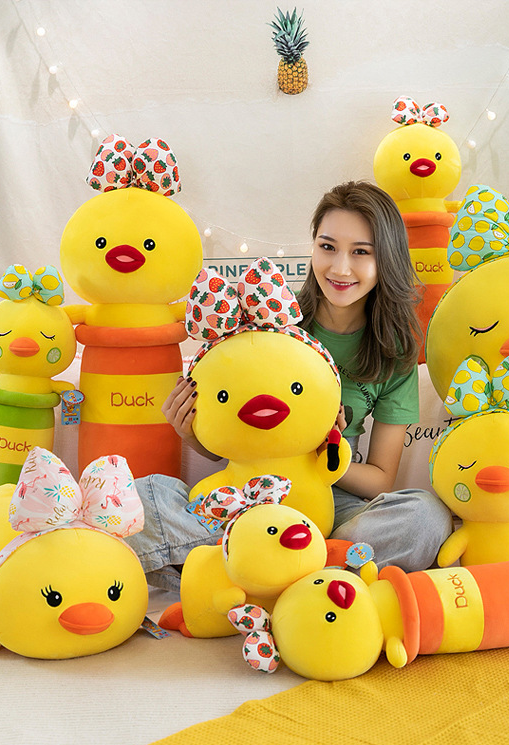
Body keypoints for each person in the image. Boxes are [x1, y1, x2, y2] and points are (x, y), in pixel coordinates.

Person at [127, 180, 452, 593]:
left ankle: (254, 569)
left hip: (332, 504)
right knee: (141, 500)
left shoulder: (393, 352)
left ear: (386, 258)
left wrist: (322, 452)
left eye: (361, 252)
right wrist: (189, 431)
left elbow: (381, 480)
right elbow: (230, 443)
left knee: (425, 516)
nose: (340, 268)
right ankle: (315, 572)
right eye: (328, 247)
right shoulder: (270, 320)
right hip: (248, 498)